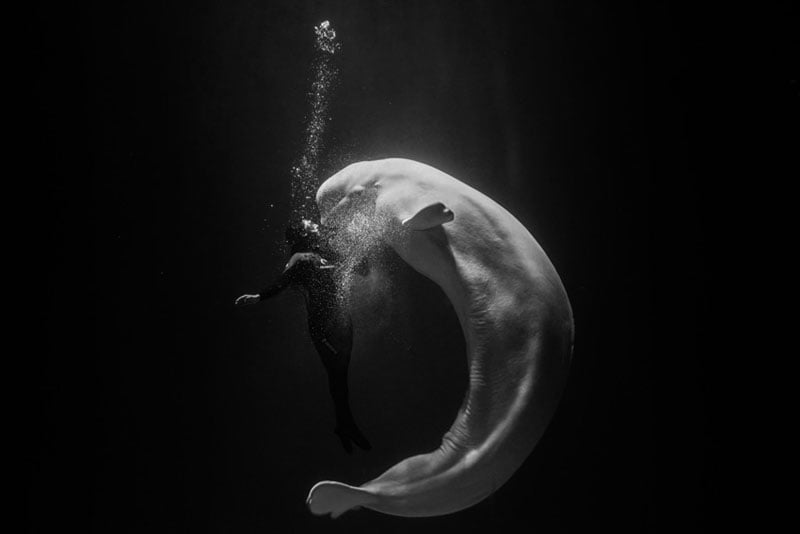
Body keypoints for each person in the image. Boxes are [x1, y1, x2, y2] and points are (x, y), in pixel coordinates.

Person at [235, 219, 372, 453]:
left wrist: (348, 240)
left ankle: (344, 424)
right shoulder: (299, 258)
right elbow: (284, 281)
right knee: (337, 375)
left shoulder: (322, 253)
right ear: (301, 234)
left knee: (339, 378)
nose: (313, 224)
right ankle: (345, 425)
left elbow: (363, 268)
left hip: (340, 321)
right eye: (308, 224)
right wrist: (259, 296)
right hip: (323, 328)